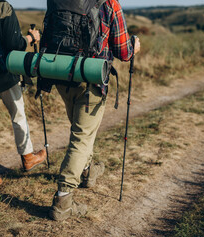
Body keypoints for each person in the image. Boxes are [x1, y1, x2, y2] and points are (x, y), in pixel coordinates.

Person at [44, 0, 141, 220]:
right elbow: (124, 52)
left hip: (60, 73)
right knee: (81, 137)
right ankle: (63, 200)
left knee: (80, 130)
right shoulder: (109, 3)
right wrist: (134, 46)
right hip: (91, 78)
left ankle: (87, 172)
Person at [0, 0, 47, 190]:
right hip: (4, 75)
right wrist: (30, 38)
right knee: (18, 116)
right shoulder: (2, 7)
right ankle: (28, 158)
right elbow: (14, 45)